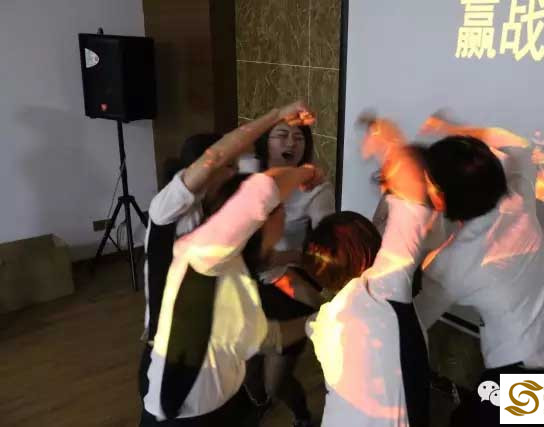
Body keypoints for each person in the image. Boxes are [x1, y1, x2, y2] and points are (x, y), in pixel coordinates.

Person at [139, 102, 318, 425]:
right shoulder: (183, 229)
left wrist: (321, 318)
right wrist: (306, 170)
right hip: (183, 392)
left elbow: (262, 336)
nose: (235, 172)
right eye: (230, 167)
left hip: (218, 399)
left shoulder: (230, 256)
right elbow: (251, 186)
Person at [412, 127, 544, 426]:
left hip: (522, 379)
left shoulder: (452, 264)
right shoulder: (518, 201)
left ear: (443, 196)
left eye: (429, 184)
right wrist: (471, 141)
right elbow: (521, 152)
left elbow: (413, 322)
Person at [302, 123, 439, 427]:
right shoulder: (381, 291)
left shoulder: (326, 321)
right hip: (523, 369)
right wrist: (395, 153)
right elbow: (411, 209)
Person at [242, 118, 335, 427]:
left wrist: (286, 257)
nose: (291, 143)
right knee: (248, 372)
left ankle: (302, 415)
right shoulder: (248, 177)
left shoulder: (315, 188)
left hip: (291, 282)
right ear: (265, 143)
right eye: (282, 135)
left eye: (299, 137)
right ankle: (258, 404)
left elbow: (325, 249)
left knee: (275, 382)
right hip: (248, 282)